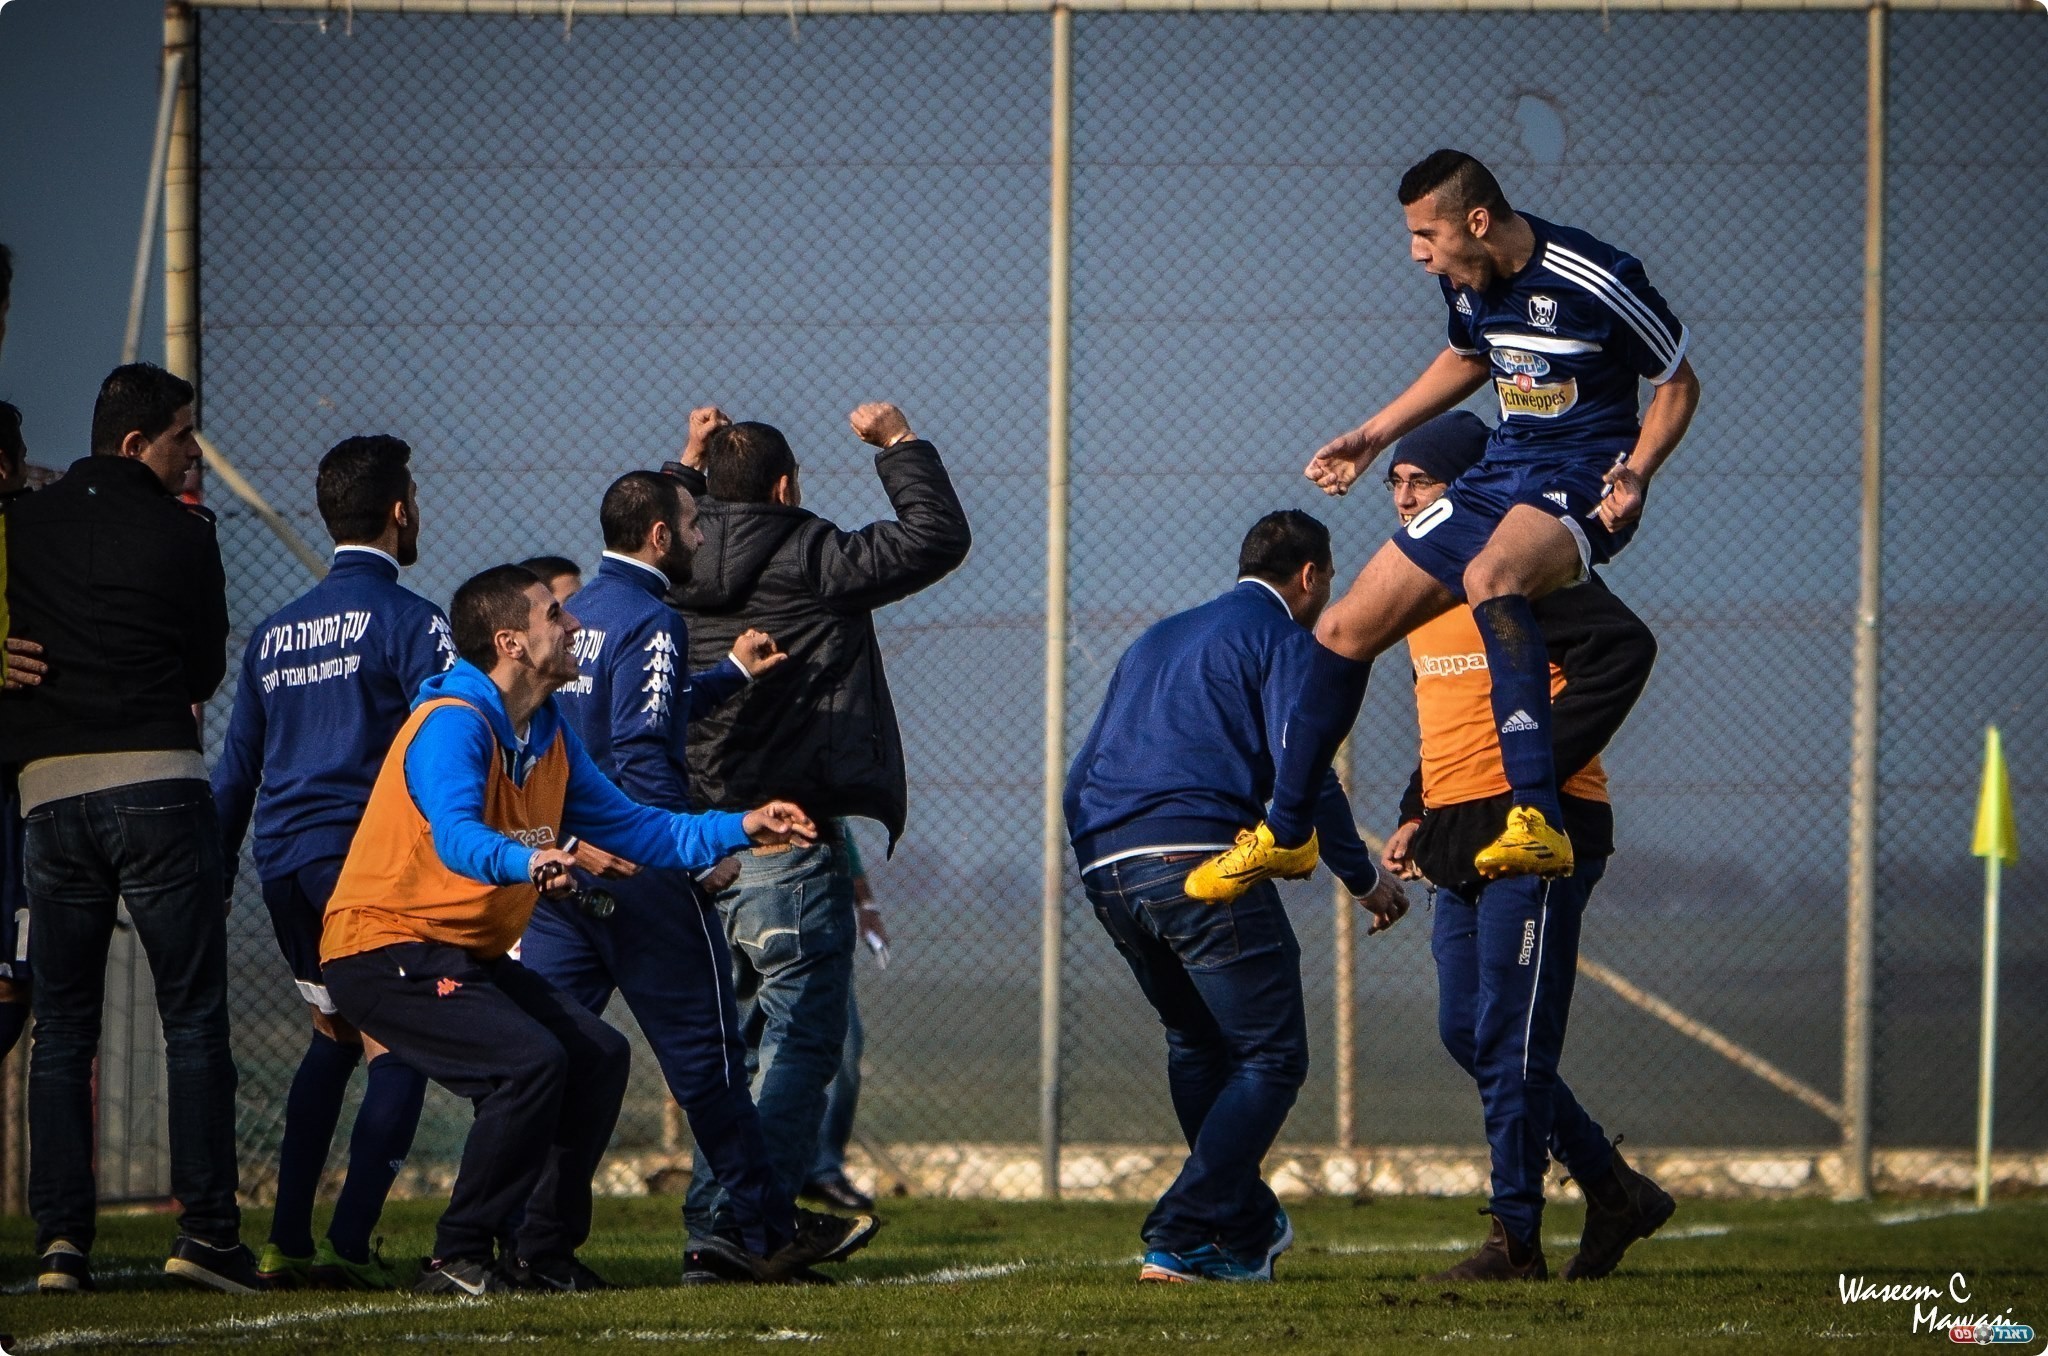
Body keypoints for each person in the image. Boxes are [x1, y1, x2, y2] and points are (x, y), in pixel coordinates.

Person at [317, 564, 866, 1294]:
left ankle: (542, 1253)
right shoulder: (453, 723)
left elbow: (640, 828)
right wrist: (527, 858)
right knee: (531, 1063)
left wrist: (743, 824)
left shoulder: (546, 734)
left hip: (457, 947)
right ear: (511, 642)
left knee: (599, 1055)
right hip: (381, 945)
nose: (573, 623)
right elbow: (454, 836)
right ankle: (459, 1255)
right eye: (555, 614)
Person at [1189, 149, 1698, 901]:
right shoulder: (1468, 283)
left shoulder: (1598, 277)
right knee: (1342, 631)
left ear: (1478, 221)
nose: (1417, 253)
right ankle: (1288, 835)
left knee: (1492, 578)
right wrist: (1372, 435)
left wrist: (1641, 469)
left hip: (1579, 478)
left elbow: (1678, 381)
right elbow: (1468, 358)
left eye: (1428, 235)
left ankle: (1534, 817)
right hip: (1500, 471)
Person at [520, 470, 876, 1288]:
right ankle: (759, 1230)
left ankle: (527, 1247)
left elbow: (617, 714)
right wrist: (685, 845)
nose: (703, 538)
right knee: (712, 1065)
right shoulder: (653, 616)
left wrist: (732, 677)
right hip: (637, 876)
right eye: (691, 525)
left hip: (560, 879)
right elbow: (642, 749)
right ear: (658, 538)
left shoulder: (583, 618)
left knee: (549, 1059)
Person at [1064, 511, 1408, 1283]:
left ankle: (1244, 1226)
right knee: (1273, 1055)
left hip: (1106, 861)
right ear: (1312, 576)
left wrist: (1100, 860)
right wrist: (1363, 877)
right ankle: (1181, 1231)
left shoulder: (1158, 638)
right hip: (1198, 860)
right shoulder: (1284, 639)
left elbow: (1082, 767)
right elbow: (1306, 766)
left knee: (1198, 1043)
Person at [1375, 412, 1673, 1281]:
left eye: (1421, 483)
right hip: (1454, 831)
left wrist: (1529, 773)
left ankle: (1514, 1238)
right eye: (1396, 486)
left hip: (1540, 830)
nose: (1404, 500)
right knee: (1467, 1030)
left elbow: (1626, 648)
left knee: (1510, 1035)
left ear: (1469, 490)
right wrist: (1412, 806)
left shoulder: (1516, 571)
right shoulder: (1430, 585)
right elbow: (1448, 719)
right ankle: (1614, 1188)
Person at [675, 402, 970, 1266]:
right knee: (801, 1037)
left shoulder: (672, 565)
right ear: (785, 486)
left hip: (689, 839)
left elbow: (653, 521)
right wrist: (900, 443)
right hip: (786, 834)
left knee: (729, 1052)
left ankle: (718, 1220)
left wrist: (685, 469)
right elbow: (935, 537)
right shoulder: (815, 554)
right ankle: (746, 1221)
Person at [2, 363, 259, 1293]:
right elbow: (199, 668)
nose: (194, 454)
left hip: (51, 795)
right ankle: (207, 1236)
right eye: (184, 436)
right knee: (191, 1018)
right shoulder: (186, 532)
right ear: (135, 443)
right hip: (157, 781)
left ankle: (61, 1246)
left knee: (64, 1029)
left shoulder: (19, 525)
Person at [210, 435, 456, 1290]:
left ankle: (284, 1242)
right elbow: (449, 744)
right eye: (415, 496)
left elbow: (236, 773)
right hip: (365, 870)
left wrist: (212, 882)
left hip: (284, 867)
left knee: (333, 1034)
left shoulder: (274, 635)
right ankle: (348, 1244)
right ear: (399, 510)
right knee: (401, 1045)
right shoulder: (415, 621)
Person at [803, 819, 882, 1213]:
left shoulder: (819, 773)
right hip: (755, 913)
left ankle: (823, 1169)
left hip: (822, 924)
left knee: (845, 1051)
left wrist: (866, 904)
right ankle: (756, 1174)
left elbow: (840, 835)